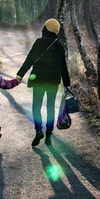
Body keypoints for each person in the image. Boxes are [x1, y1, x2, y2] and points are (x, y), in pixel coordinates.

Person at [17, 18, 70, 147]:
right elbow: (63, 67)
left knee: (36, 107)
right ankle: (49, 136)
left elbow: (29, 60)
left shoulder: (39, 42)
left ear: (46, 29)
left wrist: (20, 75)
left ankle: (39, 130)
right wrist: (67, 84)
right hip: (53, 82)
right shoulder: (59, 46)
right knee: (51, 108)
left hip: (39, 81)